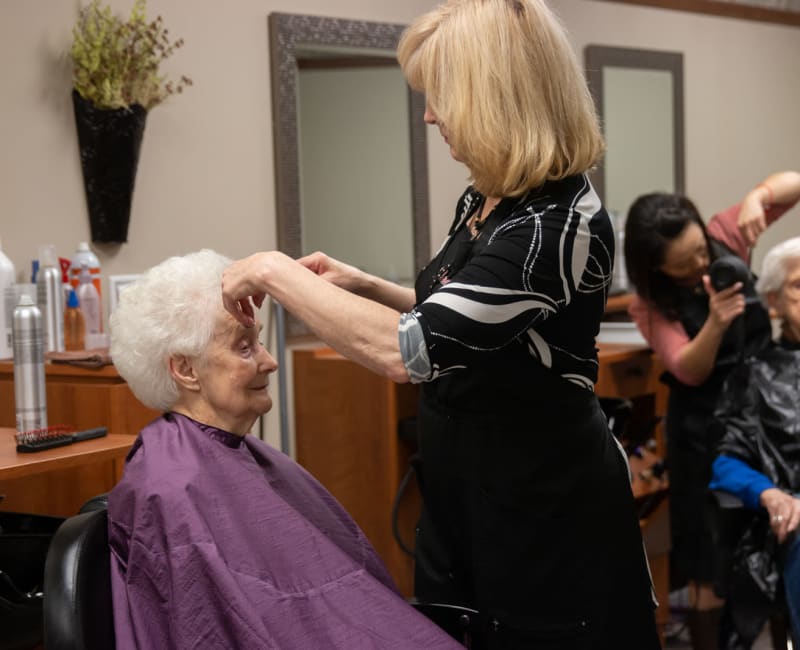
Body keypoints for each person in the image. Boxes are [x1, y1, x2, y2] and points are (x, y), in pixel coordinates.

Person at [221, 1, 659, 647]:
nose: (428, 115)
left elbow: (413, 351)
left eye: (442, 97)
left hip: (546, 520)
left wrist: (269, 270)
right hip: (466, 503)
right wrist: (367, 284)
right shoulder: (487, 195)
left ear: (498, 96)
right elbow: (477, 320)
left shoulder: (557, 223)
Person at [107, 250, 459, 649]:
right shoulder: (169, 487)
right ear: (186, 370)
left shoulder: (245, 457)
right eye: (245, 348)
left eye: (258, 342)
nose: (270, 361)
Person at [624, 170, 800, 648]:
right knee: (709, 559)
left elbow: (795, 183)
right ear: (658, 269)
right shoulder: (650, 303)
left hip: (766, 412)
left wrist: (759, 197)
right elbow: (687, 368)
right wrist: (717, 322)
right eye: (686, 263)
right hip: (703, 429)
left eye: (702, 248)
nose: (703, 261)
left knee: (774, 536)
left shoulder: (724, 234)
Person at [709, 236, 800, 648]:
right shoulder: (755, 374)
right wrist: (769, 494)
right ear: (775, 303)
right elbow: (726, 462)